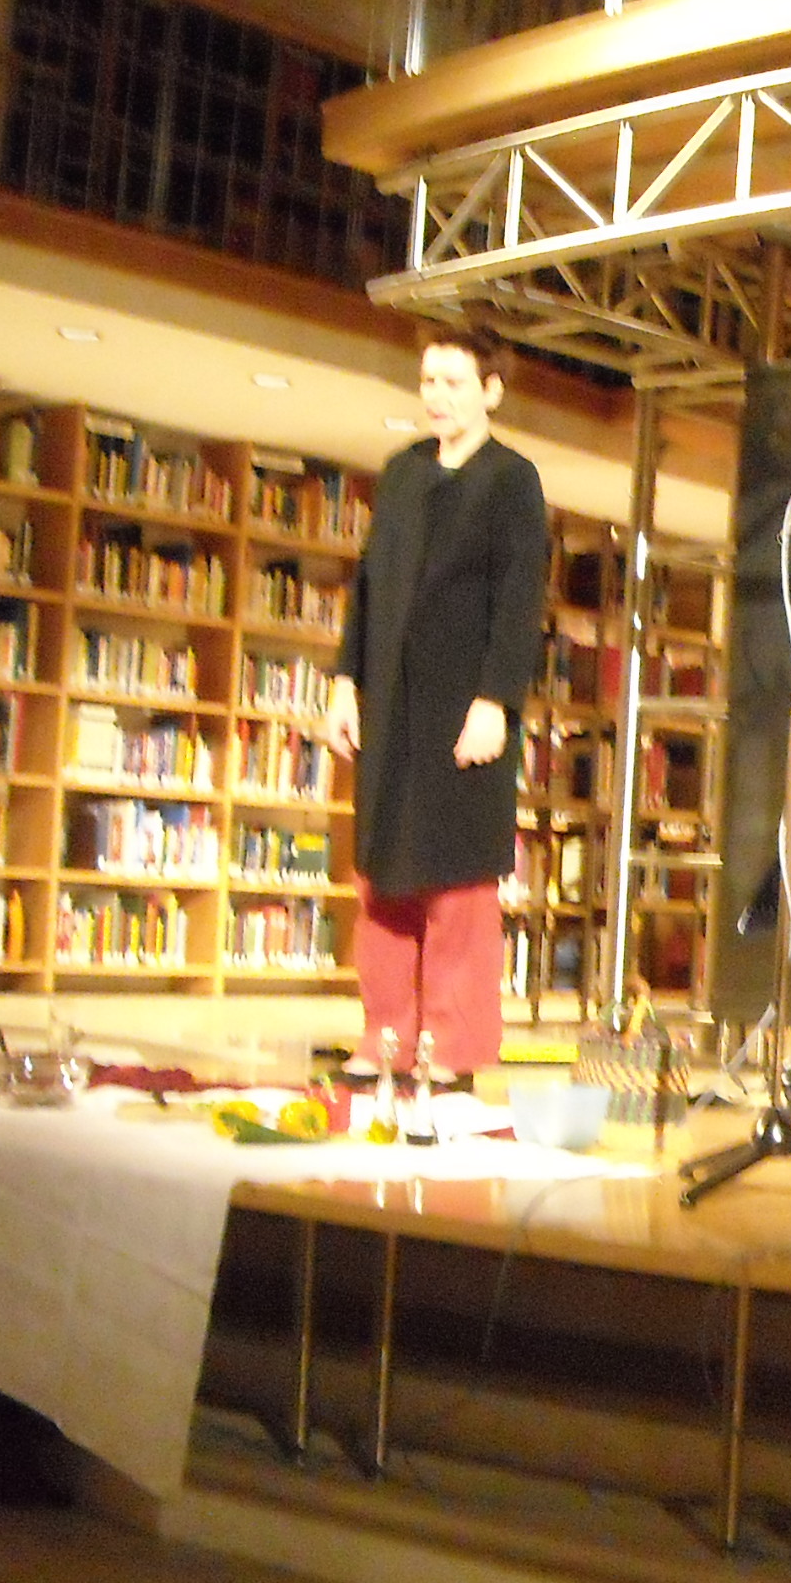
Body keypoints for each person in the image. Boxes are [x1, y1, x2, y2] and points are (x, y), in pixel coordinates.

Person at [326, 321, 550, 1077]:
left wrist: (496, 700)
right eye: (428, 381)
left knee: (455, 884)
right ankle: (385, 1036)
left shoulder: (512, 480)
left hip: (463, 709)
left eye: (453, 383)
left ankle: (452, 1047)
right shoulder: (402, 472)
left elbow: (519, 601)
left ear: (491, 391)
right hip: (391, 705)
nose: (437, 396)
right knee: (382, 872)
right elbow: (366, 585)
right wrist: (345, 681)